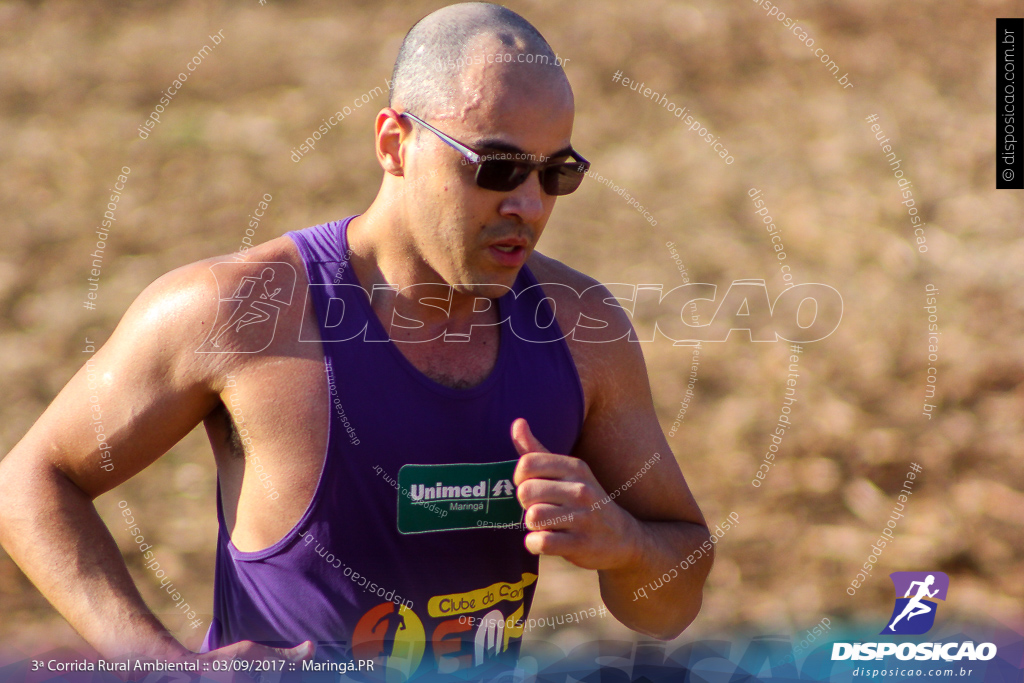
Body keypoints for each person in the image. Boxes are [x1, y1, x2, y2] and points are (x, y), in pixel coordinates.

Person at [0, 2, 712, 678]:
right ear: (394, 143)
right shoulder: (243, 312)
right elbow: (28, 482)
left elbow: (674, 599)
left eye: (557, 173)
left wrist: (624, 545)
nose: (527, 203)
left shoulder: (580, 327)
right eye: (495, 168)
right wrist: (160, 666)